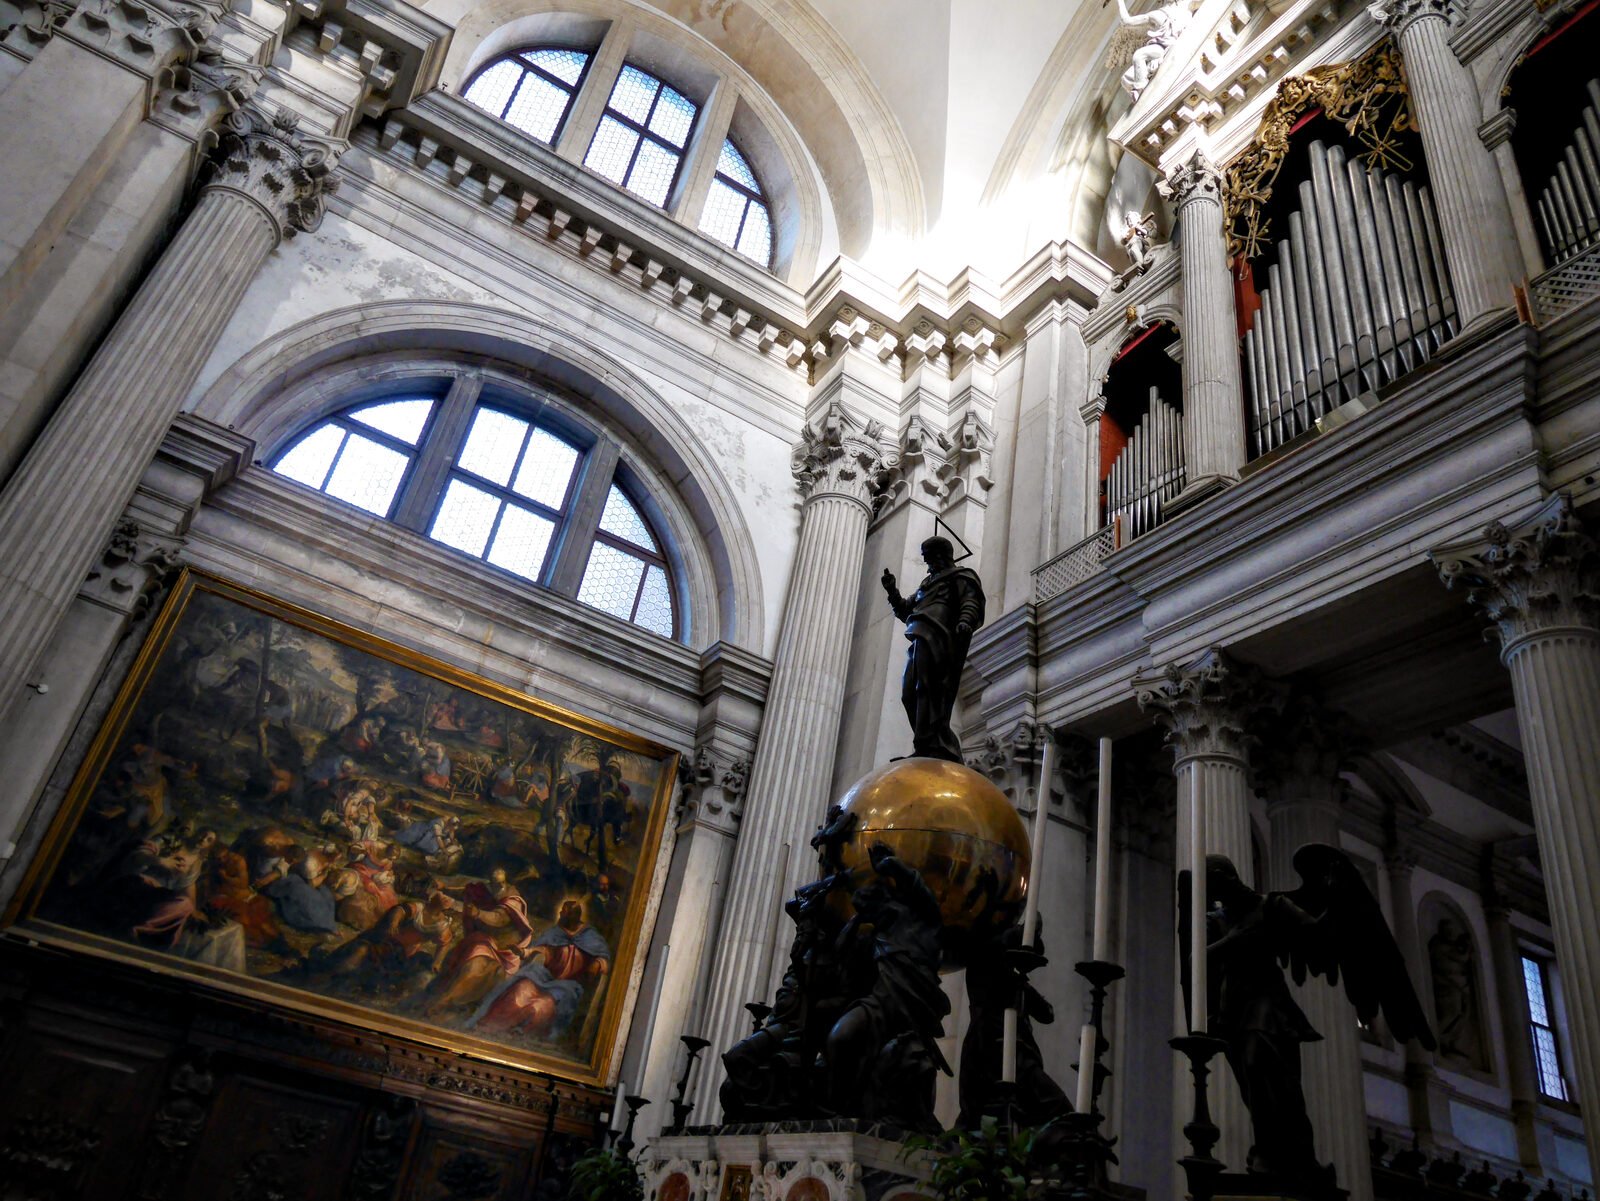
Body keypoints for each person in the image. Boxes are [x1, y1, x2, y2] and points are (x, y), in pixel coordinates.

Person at [880, 536, 985, 762]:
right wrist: (892, 591)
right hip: (920, 635)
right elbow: (905, 611)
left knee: (929, 689)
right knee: (910, 693)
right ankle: (927, 743)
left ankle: (933, 744)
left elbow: (970, 601)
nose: (927, 564)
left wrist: (965, 620)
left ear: (940, 556)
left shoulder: (960, 577)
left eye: (928, 559)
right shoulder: (926, 585)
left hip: (941, 637)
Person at [467, 899, 611, 1038]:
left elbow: (604, 956)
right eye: (561, 911)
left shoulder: (590, 936)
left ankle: (518, 1032)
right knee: (518, 991)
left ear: (574, 916)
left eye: (564, 913)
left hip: (567, 986)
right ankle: (490, 1024)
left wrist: (598, 963)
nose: (560, 915)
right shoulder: (556, 932)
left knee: (540, 1006)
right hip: (545, 977)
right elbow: (542, 949)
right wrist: (523, 952)